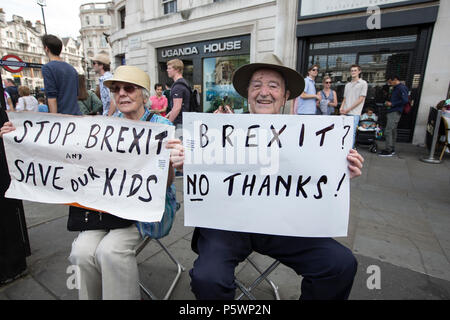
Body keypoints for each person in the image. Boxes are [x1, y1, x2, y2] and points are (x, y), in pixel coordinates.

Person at [166, 53, 364, 300]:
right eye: (257, 85)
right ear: (247, 92)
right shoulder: (220, 127)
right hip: (227, 224)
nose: (264, 92)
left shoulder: (309, 136)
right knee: (208, 278)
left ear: (285, 96)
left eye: (273, 86)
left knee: (340, 264)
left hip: (283, 224)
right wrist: (186, 158)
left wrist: (341, 173)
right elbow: (196, 166)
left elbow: (318, 181)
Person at [0, 65, 177, 299]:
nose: (121, 93)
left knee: (110, 251)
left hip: (146, 212)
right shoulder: (104, 127)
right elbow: (60, 149)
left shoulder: (161, 128)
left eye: (129, 88)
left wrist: (172, 163)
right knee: (81, 252)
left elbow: (163, 185)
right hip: (107, 210)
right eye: (116, 89)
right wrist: (19, 135)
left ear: (144, 94)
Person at [41, 34, 80, 115]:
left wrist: (54, 119)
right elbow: (76, 95)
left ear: (46, 48)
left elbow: (52, 96)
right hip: (75, 115)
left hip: (62, 117)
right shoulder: (72, 69)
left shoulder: (48, 68)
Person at [379, 75, 409, 157]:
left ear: (395, 79)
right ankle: (391, 148)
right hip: (393, 110)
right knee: (392, 131)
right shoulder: (396, 88)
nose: (389, 83)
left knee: (388, 130)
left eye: (390, 81)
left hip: (395, 111)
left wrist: (393, 104)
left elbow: (405, 100)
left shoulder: (401, 88)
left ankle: (389, 150)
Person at [340, 64, 368, 145]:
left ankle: (350, 152)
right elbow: (345, 98)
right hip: (345, 112)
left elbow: (361, 99)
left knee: (351, 134)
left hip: (354, 113)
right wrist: (341, 108)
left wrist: (348, 109)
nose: (353, 72)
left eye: (355, 70)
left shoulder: (363, 83)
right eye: (352, 70)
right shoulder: (347, 85)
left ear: (359, 71)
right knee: (343, 132)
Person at [166, 59, 190, 140]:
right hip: (184, 121)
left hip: (180, 123)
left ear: (177, 69)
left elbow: (177, 107)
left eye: (169, 68)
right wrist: (168, 115)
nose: (167, 70)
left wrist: (168, 123)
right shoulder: (184, 83)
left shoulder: (178, 86)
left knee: (178, 148)